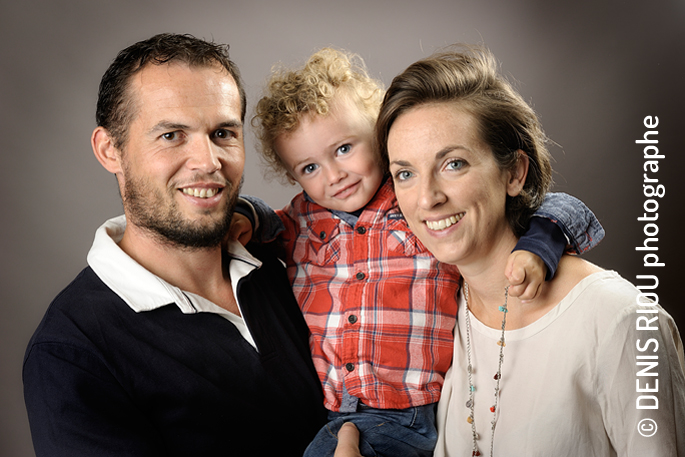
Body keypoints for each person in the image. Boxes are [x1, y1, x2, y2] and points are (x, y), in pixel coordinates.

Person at [237, 48, 604, 456]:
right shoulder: (302, 221)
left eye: (344, 149)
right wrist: (247, 215)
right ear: (293, 176)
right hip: (334, 411)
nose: (334, 175)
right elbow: (264, 221)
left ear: (379, 136)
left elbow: (559, 206)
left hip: (411, 411)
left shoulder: (416, 199)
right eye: (309, 168)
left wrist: (537, 249)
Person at [370, 45, 685, 456]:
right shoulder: (436, 311)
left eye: (454, 164)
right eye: (405, 173)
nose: (426, 198)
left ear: (514, 173)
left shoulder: (619, 323)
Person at [22, 33, 327, 457]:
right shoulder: (73, 351)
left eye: (222, 133)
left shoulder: (291, 259)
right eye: (171, 135)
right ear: (110, 149)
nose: (207, 162)